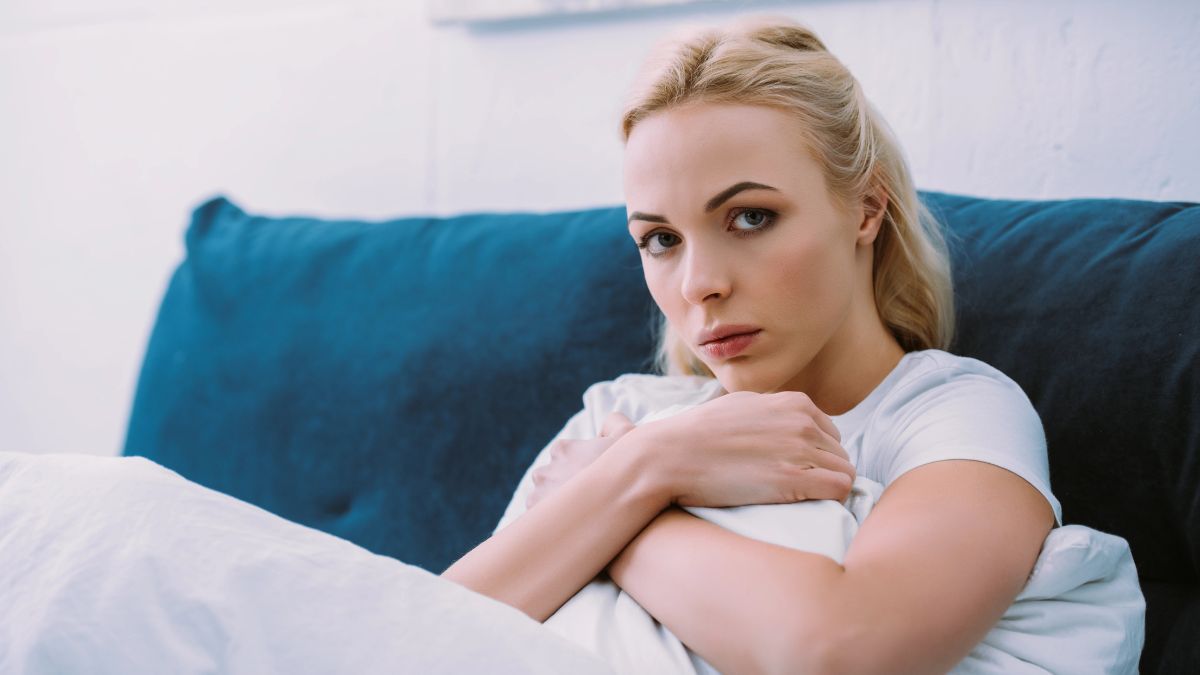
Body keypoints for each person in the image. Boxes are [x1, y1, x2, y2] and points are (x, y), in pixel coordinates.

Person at [442, 17, 1062, 674]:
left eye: (750, 217)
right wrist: (652, 456)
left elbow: (847, 650)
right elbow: (425, 635)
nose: (700, 284)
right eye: (660, 239)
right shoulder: (621, 416)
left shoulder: (950, 413)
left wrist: (630, 491)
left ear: (865, 209)